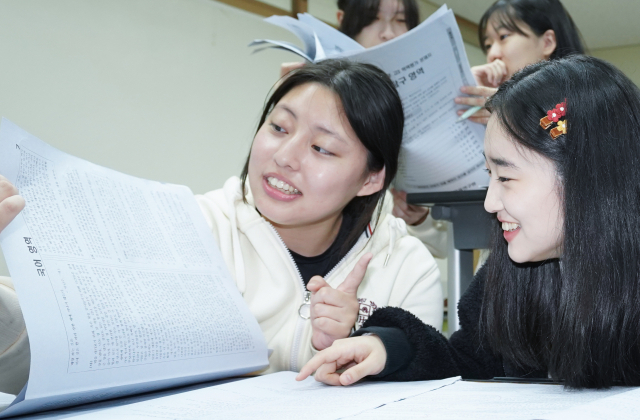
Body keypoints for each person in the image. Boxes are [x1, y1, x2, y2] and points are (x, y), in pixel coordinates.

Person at [0, 59, 443, 395]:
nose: (285, 156)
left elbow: (423, 385)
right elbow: (57, 341)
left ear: (372, 177)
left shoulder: (406, 266)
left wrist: (360, 331)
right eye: (278, 126)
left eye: (322, 148)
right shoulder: (191, 227)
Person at [297, 55, 640, 389]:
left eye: (506, 177)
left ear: (586, 177)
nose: (490, 203)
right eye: (490, 175)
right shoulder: (504, 277)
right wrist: (388, 348)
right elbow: (467, 363)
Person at [457, 0, 585, 125]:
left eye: (503, 36)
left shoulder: (587, 101)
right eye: (488, 45)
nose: (492, 54)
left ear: (547, 42)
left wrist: (513, 117)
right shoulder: (497, 111)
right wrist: (470, 89)